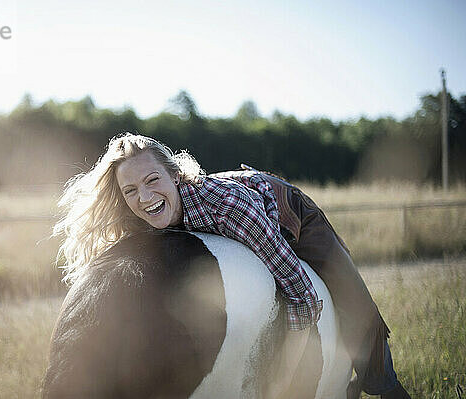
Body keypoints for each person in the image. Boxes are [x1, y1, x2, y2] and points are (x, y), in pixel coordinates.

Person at [54, 133, 411, 399]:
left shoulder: (229, 210)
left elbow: (302, 295)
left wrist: (284, 377)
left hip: (285, 206)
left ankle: (385, 384)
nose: (144, 198)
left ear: (175, 175)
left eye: (152, 181)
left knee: (354, 298)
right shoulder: (145, 215)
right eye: (130, 190)